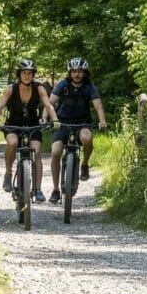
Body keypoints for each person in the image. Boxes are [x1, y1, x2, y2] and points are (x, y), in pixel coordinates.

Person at [0, 59, 59, 202]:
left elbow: (48, 105)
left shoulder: (39, 88)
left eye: (30, 73)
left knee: (37, 152)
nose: (27, 76)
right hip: (14, 124)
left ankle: (38, 189)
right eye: (24, 73)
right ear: (19, 74)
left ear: (33, 75)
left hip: (33, 125)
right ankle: (8, 174)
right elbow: (0, 106)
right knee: (13, 143)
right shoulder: (10, 89)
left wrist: (55, 119)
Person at [48, 57, 108, 204]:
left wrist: (102, 121)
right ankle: (55, 189)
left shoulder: (89, 87)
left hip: (83, 122)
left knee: (87, 138)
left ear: (84, 72)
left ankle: (85, 164)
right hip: (62, 123)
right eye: (74, 71)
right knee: (56, 152)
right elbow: (50, 103)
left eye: (80, 71)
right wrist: (45, 117)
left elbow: (98, 106)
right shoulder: (63, 84)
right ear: (70, 73)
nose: (76, 74)